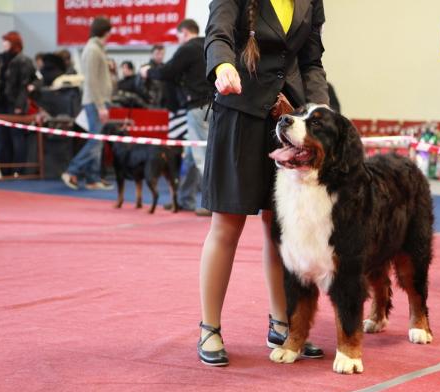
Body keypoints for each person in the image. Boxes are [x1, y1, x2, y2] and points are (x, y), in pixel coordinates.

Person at [196, 0, 329, 366]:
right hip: (238, 114)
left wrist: (322, 113)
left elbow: (311, 61)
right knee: (226, 225)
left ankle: (282, 324)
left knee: (281, 228)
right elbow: (217, 34)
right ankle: (210, 328)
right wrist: (223, 66)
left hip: (288, 120)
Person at [141, 19, 213, 216]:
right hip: (212, 106)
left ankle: (213, 204)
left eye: (178, 35)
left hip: (198, 107)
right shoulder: (209, 44)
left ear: (184, 32)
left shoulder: (188, 48)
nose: (178, 39)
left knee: (200, 156)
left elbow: (167, 71)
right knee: (191, 155)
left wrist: (148, 71)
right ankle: (184, 199)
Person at [61, 16, 113, 190]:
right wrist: (100, 106)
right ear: (106, 31)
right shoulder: (93, 50)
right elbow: (91, 80)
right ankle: (71, 170)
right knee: (95, 141)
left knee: (97, 141)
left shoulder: (97, 49)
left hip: (98, 101)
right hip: (95, 102)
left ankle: (92, 178)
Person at [0, 31, 35, 176]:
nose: (3, 44)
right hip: (0, 103)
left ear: (14, 44)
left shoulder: (24, 61)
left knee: (17, 137)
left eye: (7, 41)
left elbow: (24, 85)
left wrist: (19, 105)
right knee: (1, 138)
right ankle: (2, 169)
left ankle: (18, 170)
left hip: (15, 104)